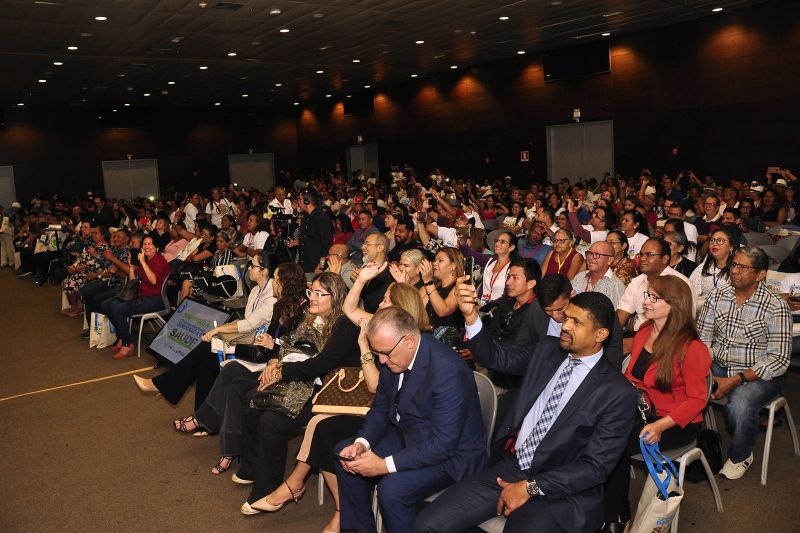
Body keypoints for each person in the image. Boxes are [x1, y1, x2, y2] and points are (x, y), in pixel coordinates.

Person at [414, 289, 638, 533]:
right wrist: (471, 317)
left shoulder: (617, 392)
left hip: (563, 492)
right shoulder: (548, 350)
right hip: (513, 467)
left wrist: (530, 487)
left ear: (600, 334)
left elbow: (595, 467)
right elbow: (499, 357)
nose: (565, 326)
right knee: (428, 525)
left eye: (576, 322)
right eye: (566, 317)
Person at [257, 266, 433, 532]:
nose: (379, 305)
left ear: (401, 312)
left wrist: (365, 350)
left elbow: (375, 387)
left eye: (386, 301)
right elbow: (350, 309)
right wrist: (362, 279)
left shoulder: (411, 345)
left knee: (323, 428)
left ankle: (306, 491)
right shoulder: (384, 329)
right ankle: (321, 499)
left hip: (390, 417)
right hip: (376, 409)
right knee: (323, 427)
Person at [335, 307, 488, 533]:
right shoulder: (393, 355)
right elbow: (381, 407)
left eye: (385, 353)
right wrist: (362, 443)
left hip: (452, 456)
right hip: (409, 433)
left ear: (408, 340)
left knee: (392, 490)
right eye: (377, 354)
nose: (382, 361)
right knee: (346, 456)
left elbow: (442, 445)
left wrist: (383, 465)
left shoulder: (447, 370)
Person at [239, 272, 360, 514]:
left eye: (319, 294)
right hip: (304, 381)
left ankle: (267, 489)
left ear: (335, 297)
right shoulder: (309, 316)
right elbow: (286, 342)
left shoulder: (344, 325)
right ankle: (252, 469)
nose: (312, 297)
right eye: (310, 292)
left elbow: (321, 365)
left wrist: (281, 372)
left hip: (329, 392)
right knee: (250, 400)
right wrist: (274, 362)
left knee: (272, 421)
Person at [602, 275, 711, 529]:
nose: (646, 301)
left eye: (654, 297)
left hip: (674, 422)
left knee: (613, 443)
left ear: (674, 305)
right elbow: (631, 379)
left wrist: (660, 425)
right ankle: (597, 504)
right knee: (595, 428)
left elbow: (697, 400)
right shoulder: (644, 332)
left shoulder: (692, 348)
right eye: (647, 295)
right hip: (641, 410)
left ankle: (617, 516)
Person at [134, 256, 291, 410]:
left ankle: (162, 385)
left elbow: (249, 324)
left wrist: (218, 329)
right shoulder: (256, 290)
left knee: (207, 348)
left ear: (264, 271)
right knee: (206, 360)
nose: (249, 268)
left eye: (253, 266)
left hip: (258, 348)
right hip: (248, 339)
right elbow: (246, 322)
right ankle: (199, 414)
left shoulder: (271, 297)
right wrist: (221, 331)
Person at [697, 247, 791, 479]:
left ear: (760, 274)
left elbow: (778, 359)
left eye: (742, 267)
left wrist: (736, 379)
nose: (734, 271)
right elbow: (703, 339)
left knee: (740, 404)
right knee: (683, 382)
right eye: (733, 265)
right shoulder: (718, 295)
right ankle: (691, 445)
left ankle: (741, 455)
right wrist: (706, 370)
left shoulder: (775, 306)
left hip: (759, 374)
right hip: (718, 364)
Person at [100, 235, 170, 359]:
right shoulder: (146, 261)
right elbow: (133, 282)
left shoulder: (159, 260)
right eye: (144, 244)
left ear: (157, 248)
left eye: (150, 244)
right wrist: (132, 268)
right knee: (107, 304)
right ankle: (122, 337)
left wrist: (142, 262)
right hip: (141, 297)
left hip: (155, 300)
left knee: (118, 309)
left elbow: (153, 280)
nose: (147, 247)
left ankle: (128, 345)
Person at [616, 238, 695, 332]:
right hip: (638, 335)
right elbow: (620, 317)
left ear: (665, 259)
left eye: (650, 254)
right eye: (641, 254)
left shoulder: (681, 284)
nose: (642, 258)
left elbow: (683, 324)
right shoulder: (637, 282)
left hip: (669, 336)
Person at [61, 226, 111, 316]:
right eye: (93, 233)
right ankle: (77, 306)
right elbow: (82, 257)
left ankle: (76, 307)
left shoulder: (105, 247)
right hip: (84, 270)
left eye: (96, 233)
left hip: (95, 272)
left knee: (70, 282)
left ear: (103, 235)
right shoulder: (93, 245)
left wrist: (81, 267)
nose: (93, 235)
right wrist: (74, 266)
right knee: (67, 280)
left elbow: (101, 263)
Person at [460, 230, 517, 307]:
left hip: (496, 309)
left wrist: (486, 307)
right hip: (478, 305)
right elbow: (470, 254)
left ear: (511, 247)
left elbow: (508, 296)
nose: (497, 244)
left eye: (502, 242)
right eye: (497, 241)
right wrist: (463, 243)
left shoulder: (513, 268)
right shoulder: (490, 260)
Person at [689, 226, 740, 309]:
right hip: (703, 308)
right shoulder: (705, 266)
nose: (714, 244)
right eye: (712, 240)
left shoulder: (737, 269)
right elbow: (693, 290)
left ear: (731, 247)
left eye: (720, 241)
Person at [419, 247, 465, 331]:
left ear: (453, 266)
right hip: (429, 334)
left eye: (440, 260)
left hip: (448, 337)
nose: (434, 263)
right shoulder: (436, 288)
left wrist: (428, 281)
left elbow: (443, 311)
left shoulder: (460, 287)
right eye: (435, 260)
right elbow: (417, 311)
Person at [570, 241, 626, 308]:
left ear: (609, 260)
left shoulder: (616, 286)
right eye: (589, 253)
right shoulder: (579, 277)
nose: (590, 258)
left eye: (596, 254)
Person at [297, 188, 335, 276]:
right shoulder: (306, 217)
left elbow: (327, 245)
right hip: (304, 264)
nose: (298, 202)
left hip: (315, 266)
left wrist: (321, 266)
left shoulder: (322, 218)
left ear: (306, 201)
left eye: (300, 199)